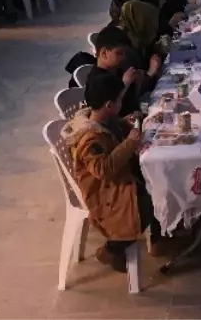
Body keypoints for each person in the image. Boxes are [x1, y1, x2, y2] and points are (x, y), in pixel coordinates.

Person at [60, 70, 151, 273]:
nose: (121, 104)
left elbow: (110, 131)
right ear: (109, 105)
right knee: (147, 204)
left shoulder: (100, 120)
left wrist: (123, 122)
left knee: (153, 184)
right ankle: (112, 249)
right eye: (119, 100)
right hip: (104, 192)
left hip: (116, 178)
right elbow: (102, 170)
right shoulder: (89, 138)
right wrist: (129, 143)